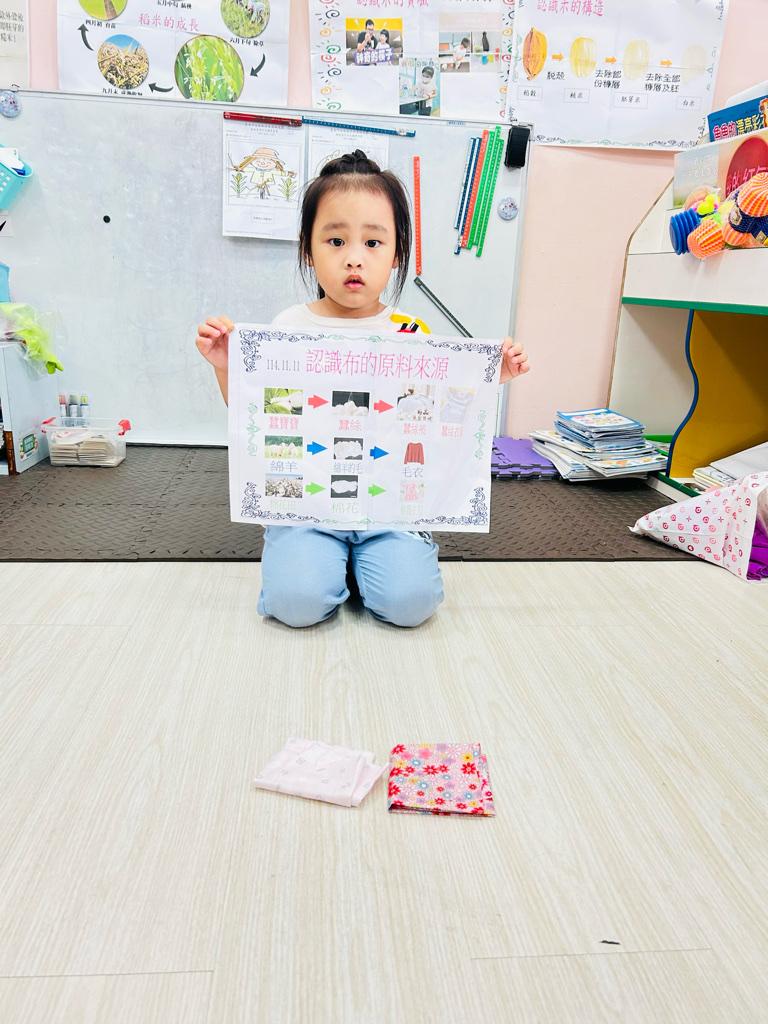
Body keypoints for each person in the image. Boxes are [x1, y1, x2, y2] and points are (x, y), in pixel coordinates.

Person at [196, 151, 530, 628]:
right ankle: (323, 561)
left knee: (410, 604)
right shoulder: (288, 329)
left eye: (373, 242)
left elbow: (438, 418)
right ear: (308, 250)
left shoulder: (411, 333)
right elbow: (262, 418)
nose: (354, 257)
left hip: (391, 507)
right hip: (309, 508)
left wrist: (490, 378)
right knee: (296, 604)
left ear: (397, 254)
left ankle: (366, 562)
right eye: (335, 240)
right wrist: (227, 366)